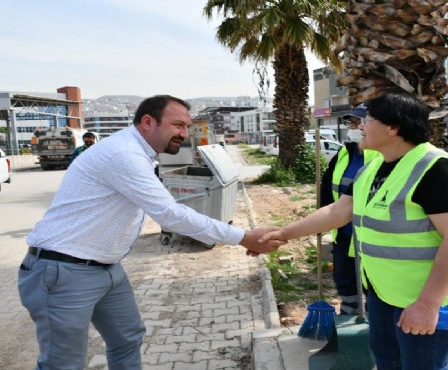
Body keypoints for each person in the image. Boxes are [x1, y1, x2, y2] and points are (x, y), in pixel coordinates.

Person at [18, 95, 284, 370]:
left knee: (127, 338)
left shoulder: (139, 153)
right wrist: (242, 237)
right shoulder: (123, 154)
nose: (184, 133)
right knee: (63, 364)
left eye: (187, 126)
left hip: (106, 268)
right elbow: (169, 213)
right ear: (148, 122)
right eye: (178, 125)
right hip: (63, 270)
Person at [262, 93, 448, 369]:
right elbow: (337, 212)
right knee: (387, 362)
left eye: (367, 120)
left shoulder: (438, 169)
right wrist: (283, 234)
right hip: (383, 295)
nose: (360, 126)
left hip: (426, 299)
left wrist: (427, 304)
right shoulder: (372, 167)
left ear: (393, 127)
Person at [320, 103, 378, 315]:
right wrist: (323, 218)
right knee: (344, 277)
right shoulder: (344, 154)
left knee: (372, 282)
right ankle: (349, 312)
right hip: (343, 230)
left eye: (357, 122)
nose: (352, 127)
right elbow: (328, 187)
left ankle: (373, 319)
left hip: (371, 234)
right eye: (350, 122)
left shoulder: (380, 157)